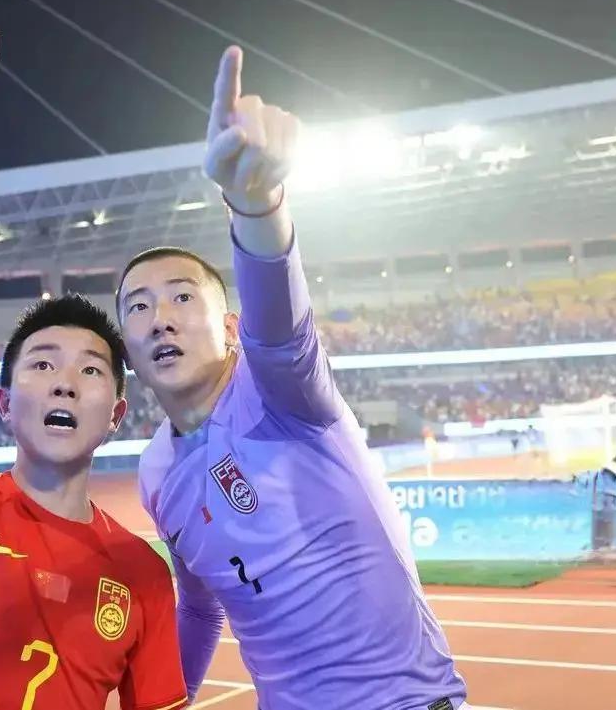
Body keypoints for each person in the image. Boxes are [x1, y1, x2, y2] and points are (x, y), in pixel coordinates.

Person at [119, 46, 468, 709]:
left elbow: (280, 327)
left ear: (229, 327)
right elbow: (199, 607)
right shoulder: (156, 471)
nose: (159, 318)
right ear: (129, 350)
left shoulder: (280, 393)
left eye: (181, 297)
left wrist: (255, 204)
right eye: (137, 307)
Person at [0, 32, 186, 710]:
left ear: (116, 414)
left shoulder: (141, 575)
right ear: (3, 402)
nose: (64, 381)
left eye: (91, 371)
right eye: (43, 363)